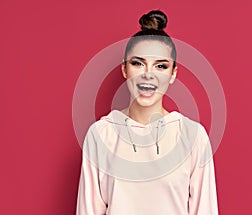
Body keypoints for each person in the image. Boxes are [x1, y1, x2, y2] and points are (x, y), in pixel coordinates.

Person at [76, 10, 219, 215]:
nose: (148, 75)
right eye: (138, 63)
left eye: (160, 66)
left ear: (172, 74)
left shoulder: (192, 136)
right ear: (125, 69)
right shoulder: (100, 134)